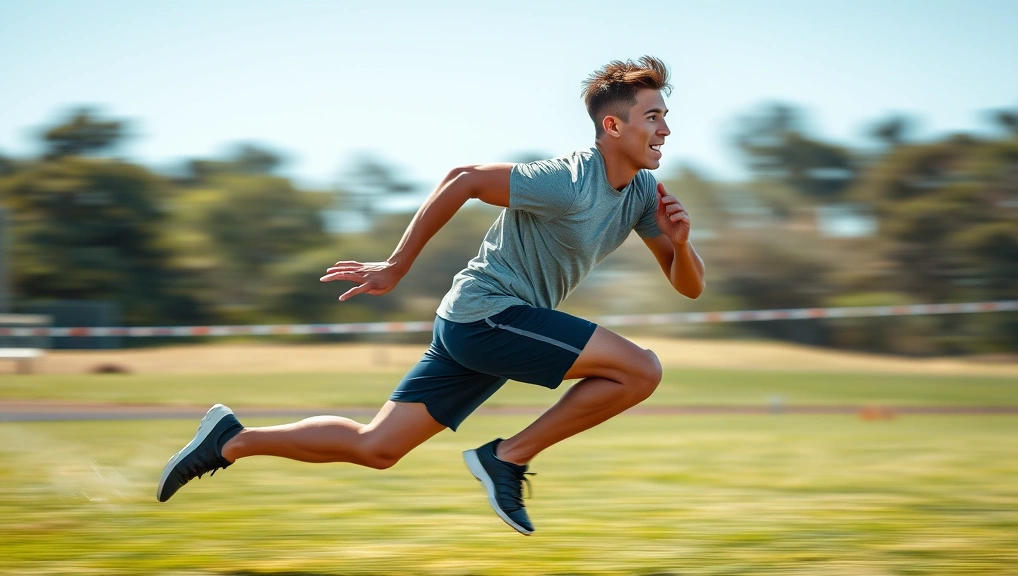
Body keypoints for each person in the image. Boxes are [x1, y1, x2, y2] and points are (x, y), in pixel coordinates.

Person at [157, 55, 705, 535]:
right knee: (640, 370)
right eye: (653, 116)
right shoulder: (566, 180)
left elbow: (690, 286)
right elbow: (464, 177)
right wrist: (396, 266)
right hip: (487, 316)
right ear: (613, 124)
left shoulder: (640, 195)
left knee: (377, 448)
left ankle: (231, 440)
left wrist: (679, 244)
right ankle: (507, 459)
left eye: (664, 117)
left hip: (486, 327)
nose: (665, 129)